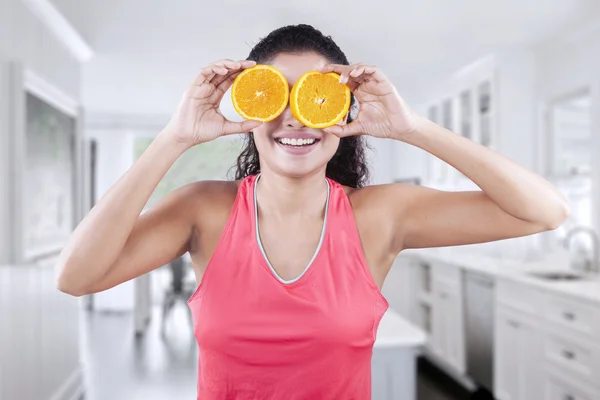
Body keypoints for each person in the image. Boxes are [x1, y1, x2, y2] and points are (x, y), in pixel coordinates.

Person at [56, 24, 569, 399]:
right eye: (274, 94)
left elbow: (543, 212)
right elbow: (75, 276)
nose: (295, 118)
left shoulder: (382, 215)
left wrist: (414, 128)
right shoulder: (203, 209)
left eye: (316, 95)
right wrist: (172, 140)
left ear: (341, 109)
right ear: (250, 109)